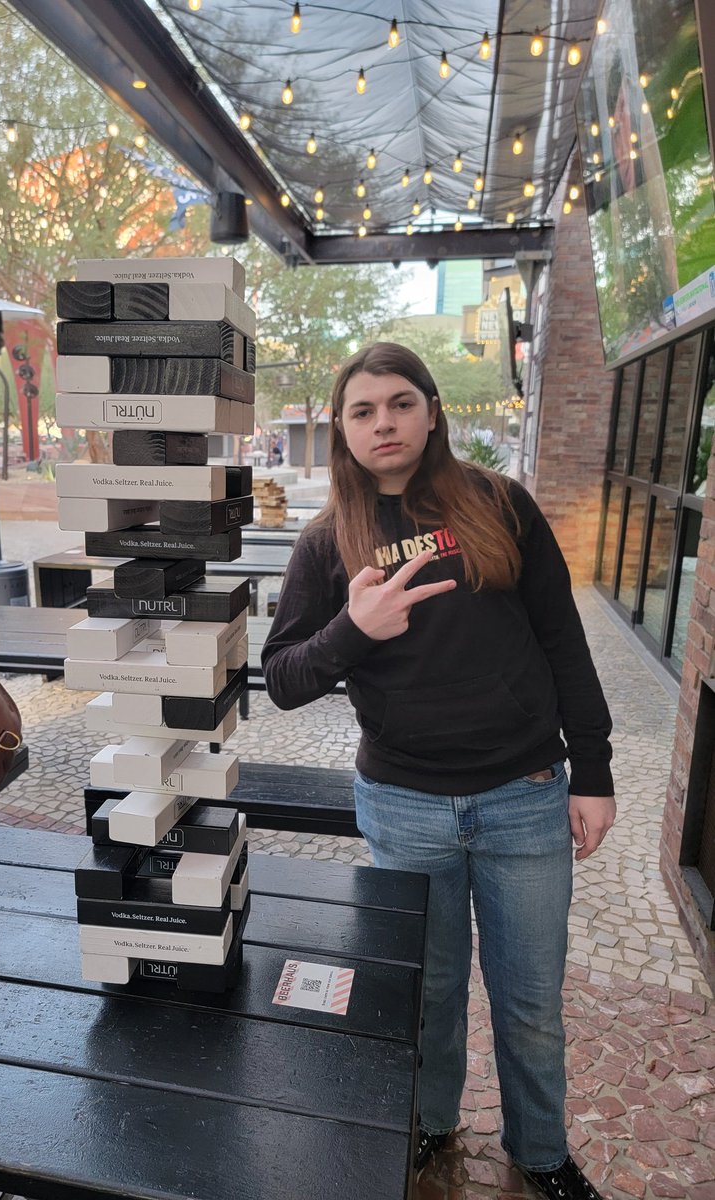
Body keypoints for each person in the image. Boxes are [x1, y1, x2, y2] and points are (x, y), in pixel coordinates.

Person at [261, 342, 615, 1200]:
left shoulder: (500, 505)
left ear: (431, 410)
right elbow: (281, 680)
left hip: (525, 797)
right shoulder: (325, 539)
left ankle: (540, 1156)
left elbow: (563, 642)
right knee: (429, 997)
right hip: (405, 805)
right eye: (362, 410)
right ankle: (430, 1130)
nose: (383, 422)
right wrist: (354, 631)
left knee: (530, 1003)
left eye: (400, 403)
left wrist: (593, 771)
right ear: (341, 428)